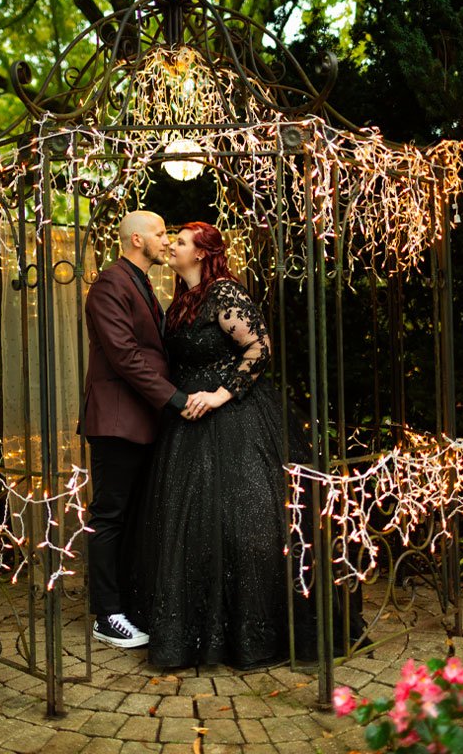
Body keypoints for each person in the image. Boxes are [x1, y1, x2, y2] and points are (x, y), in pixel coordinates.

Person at [133, 221, 291, 669]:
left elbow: (259, 349)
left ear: (201, 253)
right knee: (189, 525)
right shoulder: (183, 300)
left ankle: (250, 631)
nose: (172, 246)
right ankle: (195, 630)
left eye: (180, 242)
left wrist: (222, 393)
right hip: (186, 423)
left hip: (234, 417)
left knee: (243, 517)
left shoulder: (225, 293)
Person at [79, 210, 199, 648]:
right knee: (109, 516)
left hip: (140, 418)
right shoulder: (111, 283)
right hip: (116, 420)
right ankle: (106, 615)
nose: (166, 241)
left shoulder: (142, 281)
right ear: (135, 240)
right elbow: (126, 356)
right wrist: (176, 399)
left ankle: (127, 603)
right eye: (160, 233)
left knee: (131, 515)